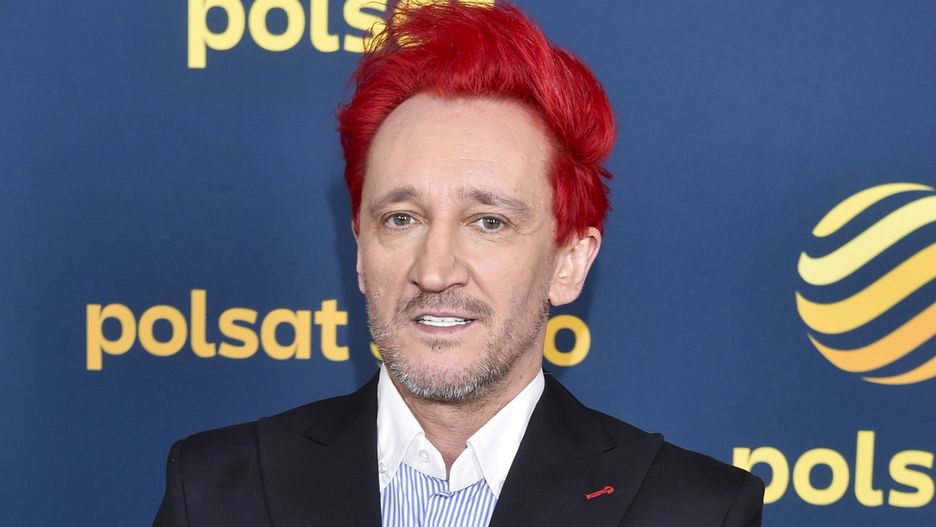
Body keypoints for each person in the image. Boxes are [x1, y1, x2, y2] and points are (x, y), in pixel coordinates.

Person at [154, 2, 764, 526]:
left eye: (488, 222)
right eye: (402, 219)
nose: (435, 270)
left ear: (569, 262)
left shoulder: (693, 509)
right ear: (360, 252)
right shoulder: (216, 489)